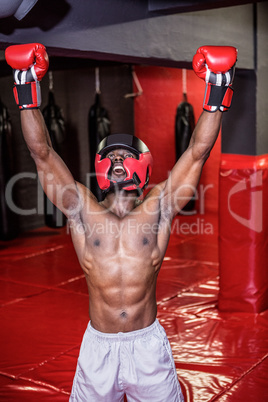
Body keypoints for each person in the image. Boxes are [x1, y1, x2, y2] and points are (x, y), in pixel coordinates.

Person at [5, 43, 237, 402]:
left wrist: (218, 88)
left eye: (124, 155)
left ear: (139, 166)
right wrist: (26, 89)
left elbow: (197, 151)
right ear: (100, 167)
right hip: (99, 348)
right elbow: (42, 153)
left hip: (147, 348)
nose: (116, 159)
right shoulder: (80, 208)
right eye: (110, 155)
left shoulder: (159, 205)